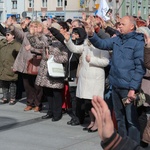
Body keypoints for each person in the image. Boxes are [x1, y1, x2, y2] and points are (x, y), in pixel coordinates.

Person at [85, 16, 146, 143]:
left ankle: (133, 145)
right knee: (120, 119)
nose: (119, 26)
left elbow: (140, 68)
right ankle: (122, 143)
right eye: (119, 24)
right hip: (116, 85)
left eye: (122, 24)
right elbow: (102, 44)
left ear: (132, 26)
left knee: (131, 120)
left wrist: (132, 89)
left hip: (128, 88)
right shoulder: (117, 39)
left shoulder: (138, 42)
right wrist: (91, 34)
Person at [63, 27, 110, 131]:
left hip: (95, 77)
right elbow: (75, 49)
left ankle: (98, 123)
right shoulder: (86, 43)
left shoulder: (102, 45)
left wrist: (92, 60)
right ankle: (92, 121)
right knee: (87, 103)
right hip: (85, 77)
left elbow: (106, 62)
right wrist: (68, 40)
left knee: (95, 103)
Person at [0, 29, 21, 105]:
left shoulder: (16, 44)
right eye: (6, 34)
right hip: (2, 66)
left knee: (12, 84)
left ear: (13, 36)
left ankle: (12, 98)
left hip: (11, 66)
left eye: (8, 35)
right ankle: (5, 97)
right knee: (3, 83)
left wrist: (17, 66)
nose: (6, 36)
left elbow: (20, 56)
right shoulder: (3, 43)